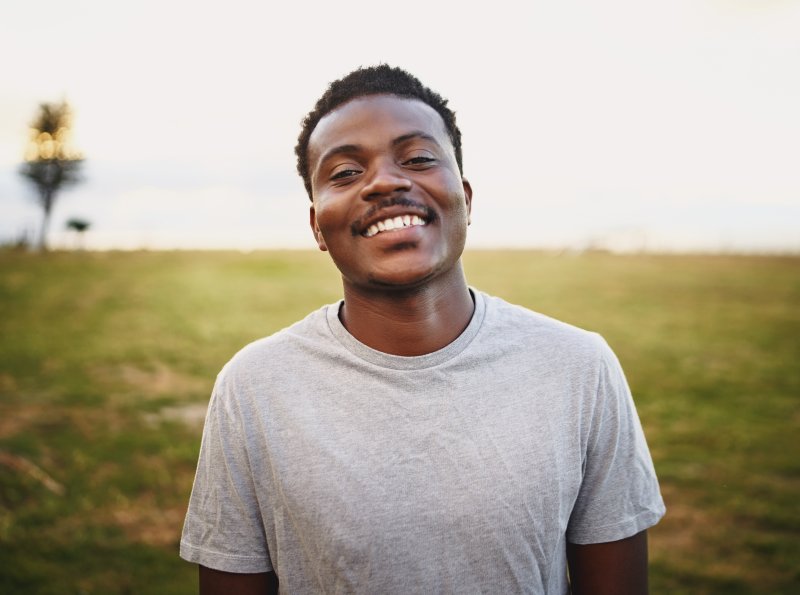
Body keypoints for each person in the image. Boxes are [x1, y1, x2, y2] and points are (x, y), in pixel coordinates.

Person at [180, 65, 665, 595]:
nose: (386, 181)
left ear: (466, 196)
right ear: (318, 226)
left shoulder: (578, 367)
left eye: (417, 159)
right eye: (344, 172)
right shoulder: (254, 387)